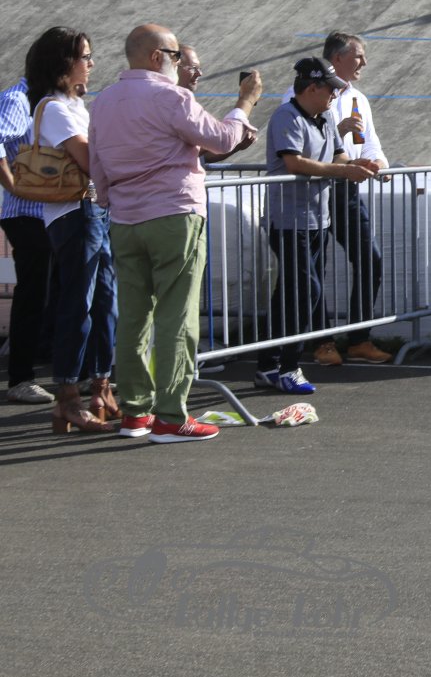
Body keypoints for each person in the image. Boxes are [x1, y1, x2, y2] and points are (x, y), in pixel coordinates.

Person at [90, 24, 262, 441]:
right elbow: (221, 138)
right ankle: (170, 416)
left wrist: (112, 199)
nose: (179, 63)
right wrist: (245, 103)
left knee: (133, 317)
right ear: (157, 58)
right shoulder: (170, 96)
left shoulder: (104, 100)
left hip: (125, 217)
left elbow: (97, 164)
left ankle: (136, 413)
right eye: (175, 56)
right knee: (177, 316)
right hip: (173, 212)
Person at [257, 57, 382, 392]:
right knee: (305, 291)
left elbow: (338, 155)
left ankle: (268, 364)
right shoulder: (286, 116)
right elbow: (295, 162)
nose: (334, 95)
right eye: (330, 89)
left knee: (289, 293)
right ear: (312, 88)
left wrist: (358, 164)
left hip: (316, 219)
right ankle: (289, 366)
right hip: (288, 221)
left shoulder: (325, 117)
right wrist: (344, 170)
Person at [18, 29, 118, 433]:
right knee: (79, 304)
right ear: (62, 64)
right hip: (74, 212)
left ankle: (101, 387)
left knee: (105, 302)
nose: (91, 64)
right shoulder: (54, 108)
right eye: (84, 57)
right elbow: (89, 159)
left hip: (93, 210)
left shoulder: (74, 105)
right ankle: (68, 396)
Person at [0, 74, 55, 405]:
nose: (89, 65)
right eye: (83, 57)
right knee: (33, 294)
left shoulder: (49, 100)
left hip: (48, 214)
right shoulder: (18, 99)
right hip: (27, 215)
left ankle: (60, 372)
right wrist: (13, 186)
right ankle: (20, 378)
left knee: (50, 293)